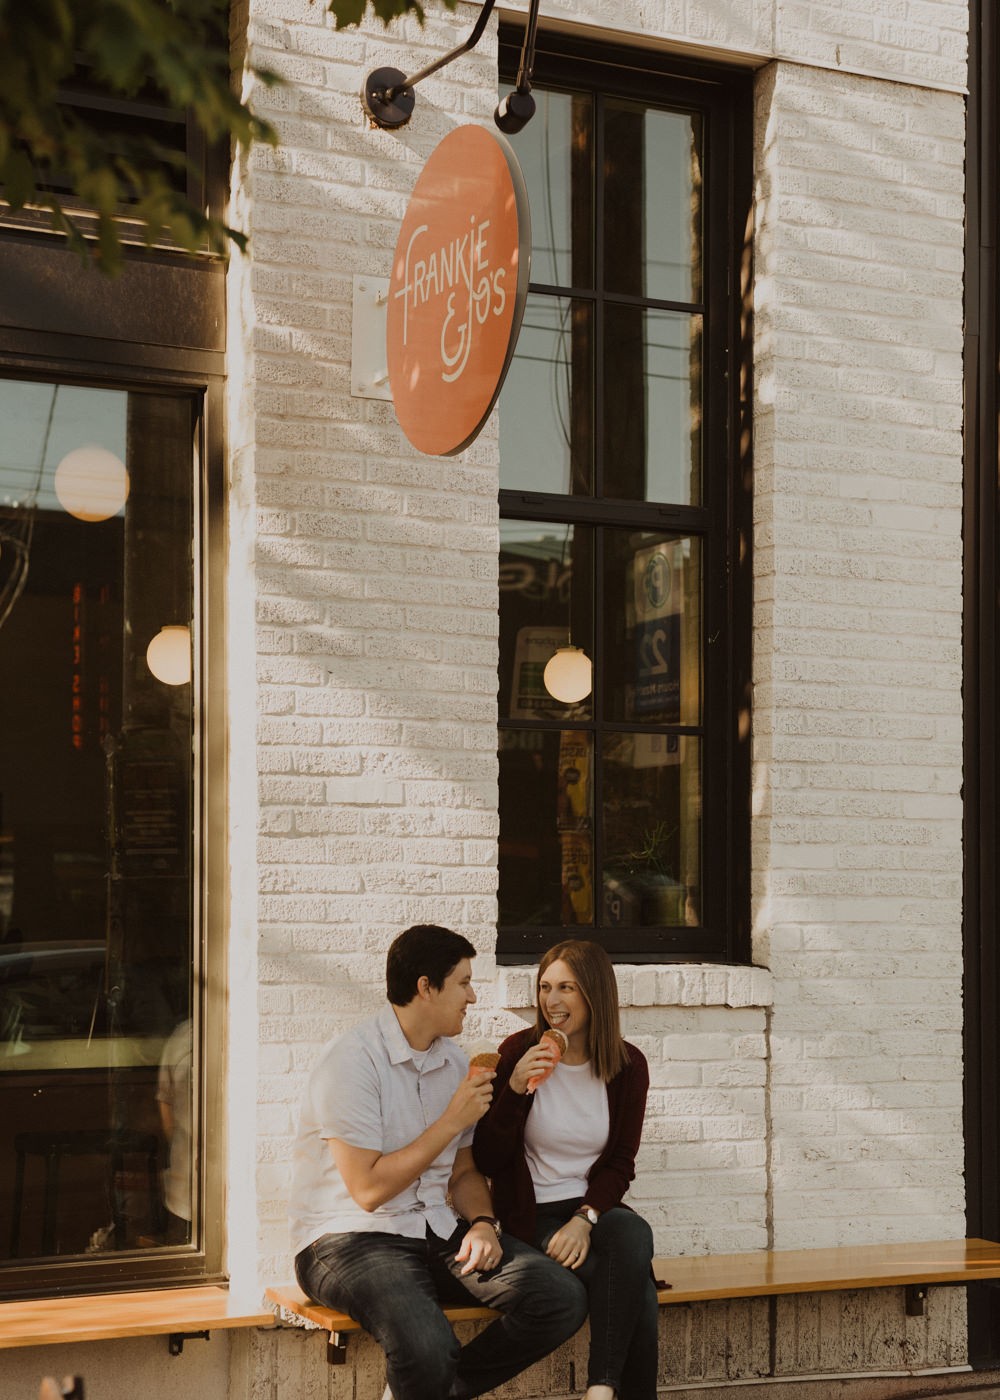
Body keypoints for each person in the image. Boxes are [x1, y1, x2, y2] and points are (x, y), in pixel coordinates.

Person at [289, 924, 587, 1400]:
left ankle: (426, 1391)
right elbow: (367, 1191)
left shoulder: (453, 1062)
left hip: (435, 1230)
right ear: (426, 987)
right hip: (348, 1239)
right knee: (428, 1346)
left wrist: (484, 1223)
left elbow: (464, 1170)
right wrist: (451, 1121)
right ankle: (423, 1381)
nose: (472, 996)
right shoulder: (351, 1063)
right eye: (464, 982)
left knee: (560, 1298)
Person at [473, 939, 657, 1400]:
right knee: (638, 1291)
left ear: (595, 994)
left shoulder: (628, 1065)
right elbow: (488, 1160)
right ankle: (607, 1391)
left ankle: (600, 1387)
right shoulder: (518, 1051)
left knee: (633, 1235)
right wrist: (514, 1088)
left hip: (590, 1211)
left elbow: (620, 1164)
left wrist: (585, 1217)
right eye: (545, 987)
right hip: (532, 1216)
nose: (551, 1002)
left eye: (567, 988)